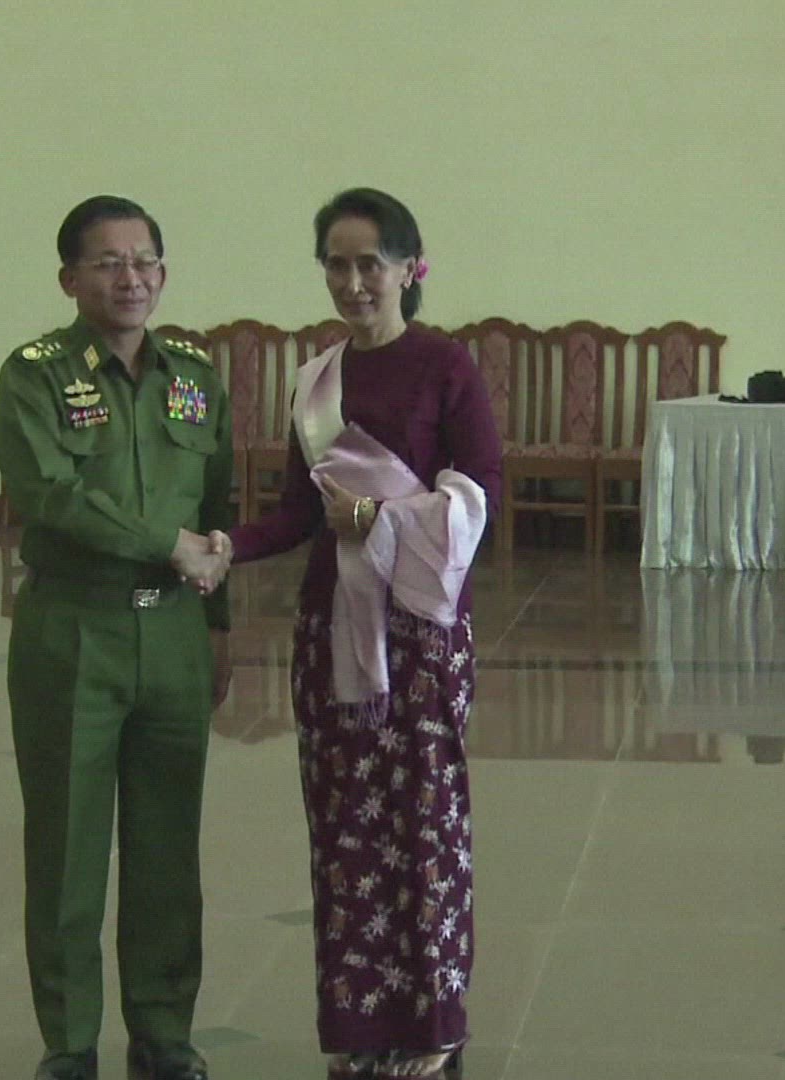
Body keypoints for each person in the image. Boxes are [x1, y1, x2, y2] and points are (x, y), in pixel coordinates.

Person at [218, 189, 502, 1080]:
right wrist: (226, 548)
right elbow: (298, 513)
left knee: (425, 825)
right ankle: (359, 1024)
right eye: (335, 265)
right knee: (345, 832)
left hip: (418, 634)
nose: (352, 282)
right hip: (331, 631)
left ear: (410, 268)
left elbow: (480, 496)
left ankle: (434, 1022)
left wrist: (380, 518)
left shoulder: (445, 366)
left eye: (369, 263)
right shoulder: (318, 382)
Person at [0, 195, 236, 1080]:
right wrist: (167, 543)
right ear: (70, 279)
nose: (131, 278)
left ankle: (164, 1031)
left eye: (145, 261)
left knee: (168, 849)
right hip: (73, 628)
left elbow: (218, 504)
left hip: (172, 632)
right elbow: (50, 495)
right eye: (108, 262)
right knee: (67, 846)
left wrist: (218, 626)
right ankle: (69, 1043)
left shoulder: (196, 375)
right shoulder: (35, 374)